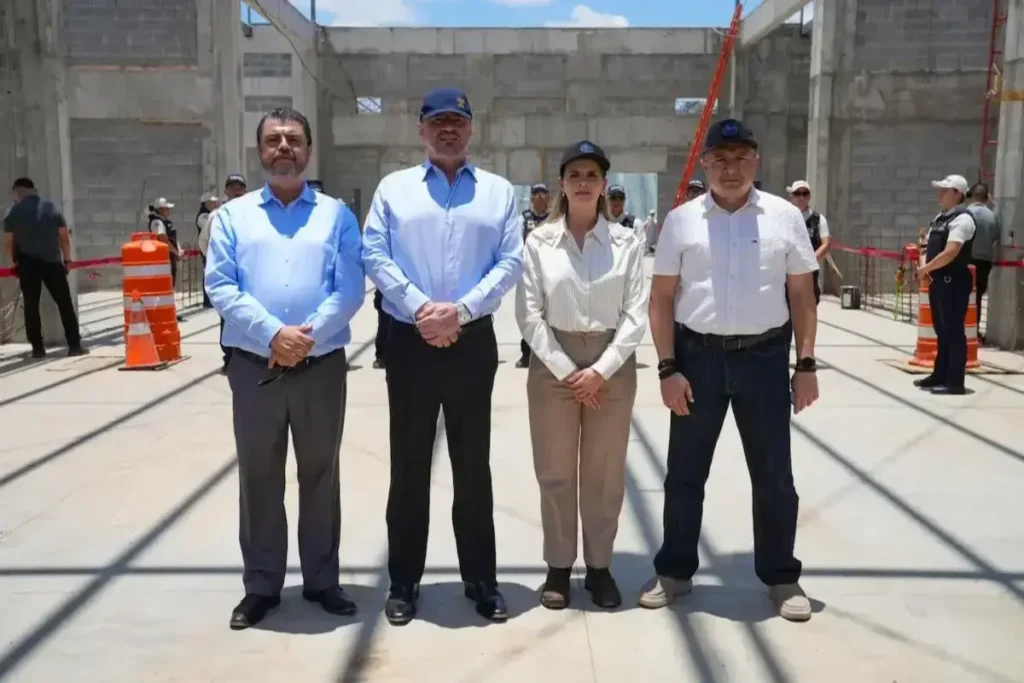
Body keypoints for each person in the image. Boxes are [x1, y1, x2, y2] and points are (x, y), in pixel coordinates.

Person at [641, 119, 820, 622]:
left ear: (756, 161)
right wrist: (667, 368)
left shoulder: (784, 217)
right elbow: (661, 299)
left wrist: (805, 363)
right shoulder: (681, 221)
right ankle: (674, 569)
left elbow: (802, 295)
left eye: (741, 158)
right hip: (696, 359)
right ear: (705, 165)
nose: (730, 168)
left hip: (764, 359)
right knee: (684, 473)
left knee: (774, 475)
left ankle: (781, 576)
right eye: (720, 159)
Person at [362, 86, 524, 626]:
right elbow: (374, 253)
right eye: (437, 122)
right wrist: (420, 307)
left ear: (471, 129)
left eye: (457, 121)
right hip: (409, 341)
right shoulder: (394, 190)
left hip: (472, 341)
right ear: (421, 130)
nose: (447, 129)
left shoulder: (497, 193)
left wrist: (462, 311)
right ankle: (404, 581)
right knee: (408, 464)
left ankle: (481, 580)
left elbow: (510, 261)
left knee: (472, 465)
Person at [205, 106, 366, 630]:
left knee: (321, 474)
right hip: (255, 366)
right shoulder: (234, 216)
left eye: (293, 139)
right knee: (259, 475)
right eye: (273, 139)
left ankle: (321, 580)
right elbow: (221, 285)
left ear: (308, 150)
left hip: (320, 366)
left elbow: (349, 287)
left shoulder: (337, 216)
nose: (284, 148)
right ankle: (261, 585)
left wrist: (303, 337)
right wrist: (273, 334)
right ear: (259, 151)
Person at [515, 140, 647, 610]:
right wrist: (570, 371)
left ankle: (599, 567)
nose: (584, 183)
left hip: (612, 364)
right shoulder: (539, 242)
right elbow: (529, 315)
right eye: (575, 175)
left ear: (605, 184)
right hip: (554, 360)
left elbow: (635, 315)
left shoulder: (627, 243)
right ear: (562, 185)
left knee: (604, 472)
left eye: (593, 175)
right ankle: (557, 566)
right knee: (554, 469)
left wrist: (601, 371)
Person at [2, 177, 85, 358]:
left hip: (27, 264)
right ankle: (74, 345)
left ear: (18, 191)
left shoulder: (13, 212)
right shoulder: (52, 208)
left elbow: (8, 242)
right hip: (52, 263)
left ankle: (38, 349)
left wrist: (12, 263)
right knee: (64, 304)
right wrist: (67, 259)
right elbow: (64, 236)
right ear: (34, 190)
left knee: (31, 305)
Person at [914, 174, 976, 396]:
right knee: (941, 330)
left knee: (953, 331)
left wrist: (926, 269)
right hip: (938, 281)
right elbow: (925, 245)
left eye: (945, 190)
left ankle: (955, 382)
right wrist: (924, 268)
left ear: (958, 194)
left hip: (954, 282)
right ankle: (939, 374)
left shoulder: (963, 219)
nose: (940, 194)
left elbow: (951, 252)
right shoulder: (940, 218)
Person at [216, 174, 248, 372]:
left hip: (249, 275)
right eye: (232, 187)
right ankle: (229, 358)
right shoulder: (218, 215)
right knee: (228, 316)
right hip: (228, 275)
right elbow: (205, 242)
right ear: (226, 191)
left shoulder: (256, 214)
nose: (236, 191)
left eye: (239, 187)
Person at [516, 182, 550, 368]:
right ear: (531, 198)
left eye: (543, 193)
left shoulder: (554, 218)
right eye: (536, 193)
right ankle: (526, 354)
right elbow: (517, 243)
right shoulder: (523, 219)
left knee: (550, 314)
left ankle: (547, 354)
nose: (540, 196)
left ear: (548, 198)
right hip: (529, 273)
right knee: (529, 312)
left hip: (550, 272)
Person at [966, 182, 1000, 343]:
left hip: (966, 260)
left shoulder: (965, 213)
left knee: (961, 295)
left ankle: (961, 329)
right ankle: (974, 331)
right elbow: (995, 236)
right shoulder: (993, 216)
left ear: (971, 197)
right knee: (977, 297)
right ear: (986, 198)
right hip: (984, 262)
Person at [148, 197, 185, 323]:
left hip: (170, 257)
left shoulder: (165, 221)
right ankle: (162, 314)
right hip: (163, 258)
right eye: (166, 208)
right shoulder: (156, 222)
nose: (169, 210)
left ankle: (169, 312)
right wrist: (175, 251)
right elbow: (163, 239)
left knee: (169, 286)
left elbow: (172, 238)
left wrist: (178, 250)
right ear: (160, 209)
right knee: (163, 287)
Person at [196, 191, 221, 308]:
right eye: (212, 202)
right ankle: (207, 300)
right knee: (208, 273)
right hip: (207, 248)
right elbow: (210, 228)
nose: (214, 204)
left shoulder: (210, 214)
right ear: (205, 203)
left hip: (213, 248)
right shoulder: (203, 216)